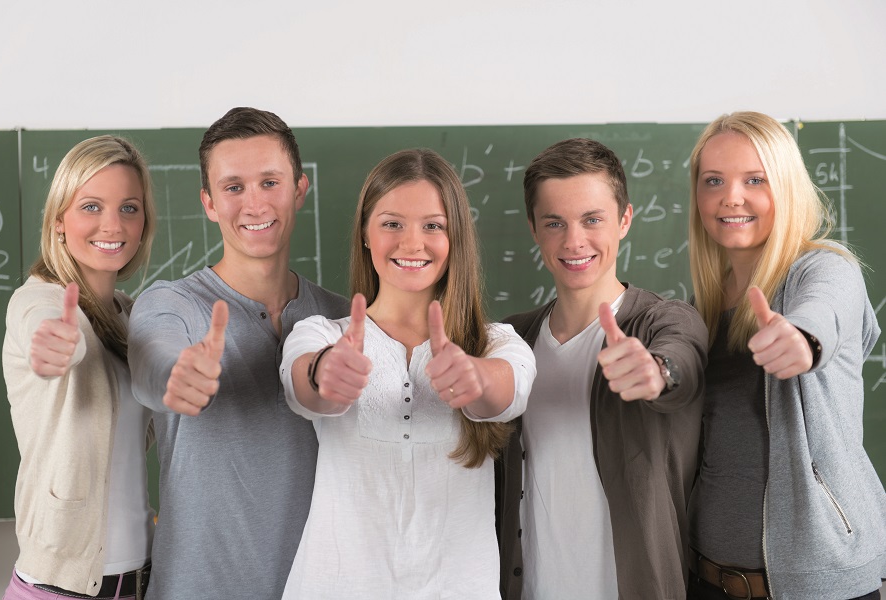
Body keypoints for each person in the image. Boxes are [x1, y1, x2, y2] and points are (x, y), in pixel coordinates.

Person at [278, 148, 536, 599]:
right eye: (392, 223)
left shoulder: (497, 342)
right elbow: (303, 384)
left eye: (433, 226)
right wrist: (325, 374)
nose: (412, 244)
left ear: (455, 238)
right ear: (364, 233)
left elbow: (507, 388)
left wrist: (475, 379)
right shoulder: (318, 332)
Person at [127, 107, 349, 599]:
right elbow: (151, 361)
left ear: (299, 190)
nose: (253, 204)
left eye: (270, 182)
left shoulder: (340, 320)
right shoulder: (172, 303)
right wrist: (177, 376)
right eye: (233, 188)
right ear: (209, 203)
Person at [496, 138, 709, 599]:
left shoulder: (662, 321)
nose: (574, 241)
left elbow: (682, 360)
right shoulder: (510, 341)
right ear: (534, 228)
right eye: (555, 223)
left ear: (625, 220)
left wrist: (655, 373)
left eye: (593, 219)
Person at [686, 111, 886, 600]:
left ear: (787, 187)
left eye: (755, 179)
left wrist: (801, 340)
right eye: (714, 180)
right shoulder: (703, 308)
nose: (731, 196)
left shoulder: (823, 269)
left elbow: (824, 315)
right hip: (709, 577)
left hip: (819, 584)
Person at [2, 135, 157, 600]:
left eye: (129, 208)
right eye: (91, 206)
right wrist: (51, 351)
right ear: (58, 221)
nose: (112, 224)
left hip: (141, 580)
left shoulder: (132, 317)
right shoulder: (38, 301)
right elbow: (44, 335)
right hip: (62, 588)